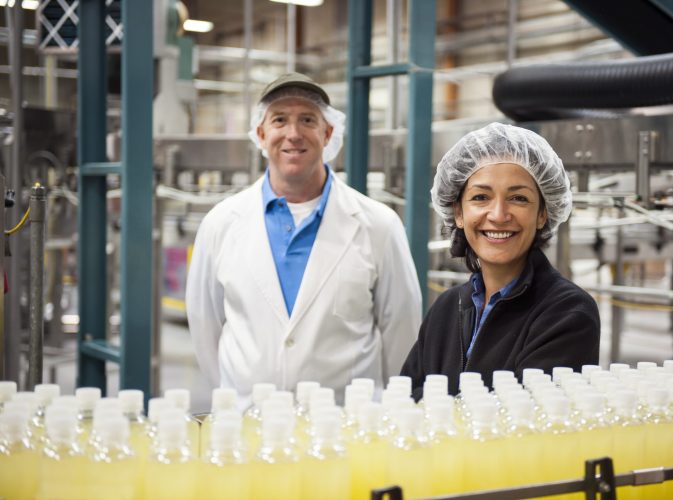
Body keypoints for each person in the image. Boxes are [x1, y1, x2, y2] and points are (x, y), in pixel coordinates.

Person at [186, 72, 422, 409]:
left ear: (327, 133)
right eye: (280, 119)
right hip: (250, 423)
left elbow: (402, 331)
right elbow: (205, 326)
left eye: (307, 120)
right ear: (261, 133)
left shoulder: (378, 225)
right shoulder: (221, 223)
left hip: (344, 425)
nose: (293, 134)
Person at [400, 122, 600, 398]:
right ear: (458, 212)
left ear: (543, 213)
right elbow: (406, 398)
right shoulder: (448, 307)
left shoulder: (567, 313)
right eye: (481, 197)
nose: (498, 214)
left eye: (518, 198)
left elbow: (521, 416)